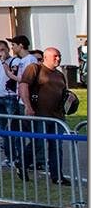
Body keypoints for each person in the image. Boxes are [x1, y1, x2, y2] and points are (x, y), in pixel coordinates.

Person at [16, 47, 70, 185]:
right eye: (55, 56)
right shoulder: (35, 68)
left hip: (57, 116)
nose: (58, 59)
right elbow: (23, 86)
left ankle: (57, 176)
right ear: (46, 57)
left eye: (59, 56)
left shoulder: (59, 74)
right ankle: (22, 163)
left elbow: (65, 94)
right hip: (40, 115)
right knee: (38, 143)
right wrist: (28, 106)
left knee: (56, 145)